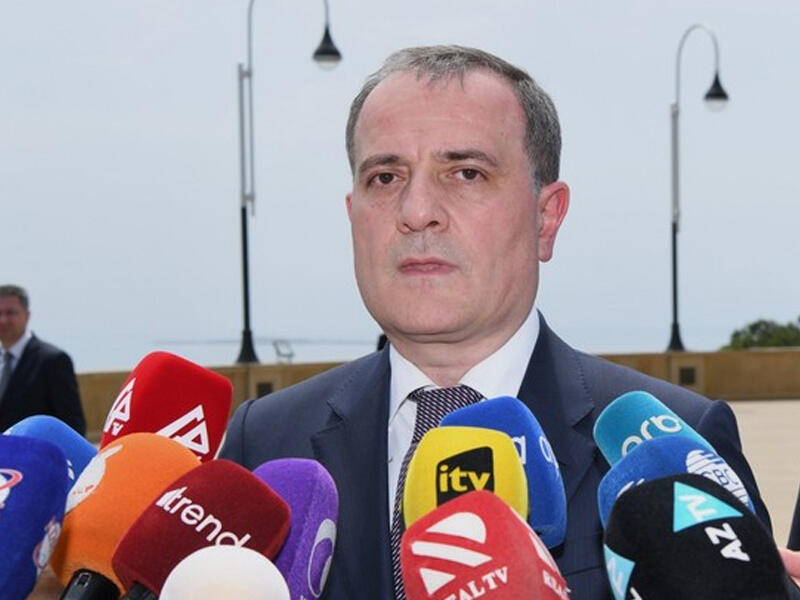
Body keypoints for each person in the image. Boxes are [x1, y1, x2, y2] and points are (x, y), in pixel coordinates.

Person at [219, 46, 778, 598]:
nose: (416, 212)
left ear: (546, 217)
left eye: (466, 173)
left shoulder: (676, 445)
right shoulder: (264, 441)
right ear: (353, 215)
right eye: (385, 178)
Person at [0, 285, 86, 435]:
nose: (3, 320)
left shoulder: (53, 361)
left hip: (33, 449)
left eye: (11, 313)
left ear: (27, 315)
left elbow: (73, 426)